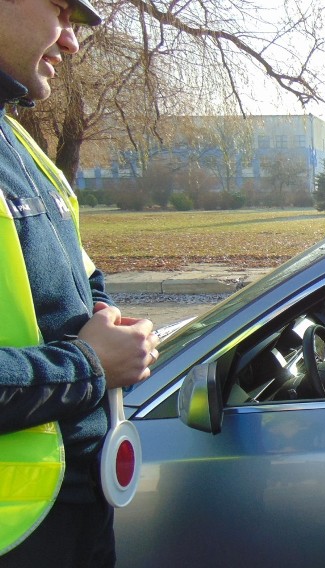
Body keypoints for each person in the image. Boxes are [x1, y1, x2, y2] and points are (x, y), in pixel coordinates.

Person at [0, 1, 159, 565]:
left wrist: (106, 317)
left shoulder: (18, 145)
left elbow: (81, 272)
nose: (71, 43)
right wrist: (90, 366)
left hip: (69, 521)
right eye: (61, 11)